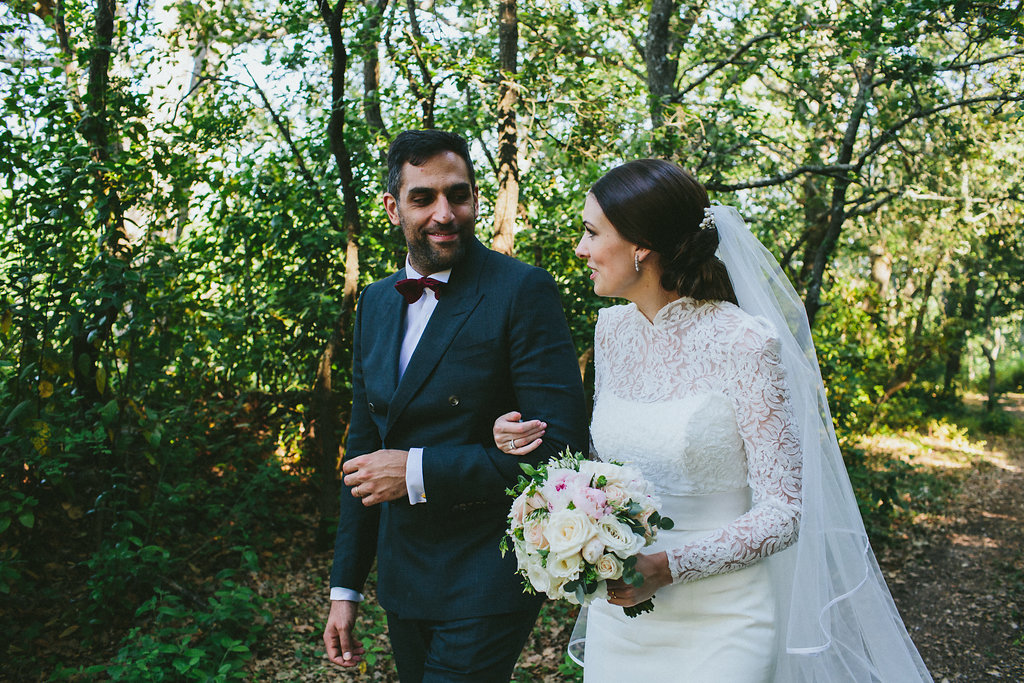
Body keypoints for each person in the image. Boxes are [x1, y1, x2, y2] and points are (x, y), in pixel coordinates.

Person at [493, 159, 932, 681]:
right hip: (625, 615)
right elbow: (610, 468)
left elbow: (785, 511)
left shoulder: (745, 342)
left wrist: (669, 566)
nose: (580, 249)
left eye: (591, 233)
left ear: (641, 247)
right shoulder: (610, 331)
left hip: (726, 619)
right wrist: (531, 452)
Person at [323, 129, 588, 682]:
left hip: (487, 571)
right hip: (405, 575)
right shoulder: (374, 302)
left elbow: (562, 448)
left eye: (459, 195)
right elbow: (363, 449)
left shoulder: (521, 290)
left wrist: (417, 470)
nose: (445, 213)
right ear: (394, 207)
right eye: (424, 198)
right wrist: (345, 587)